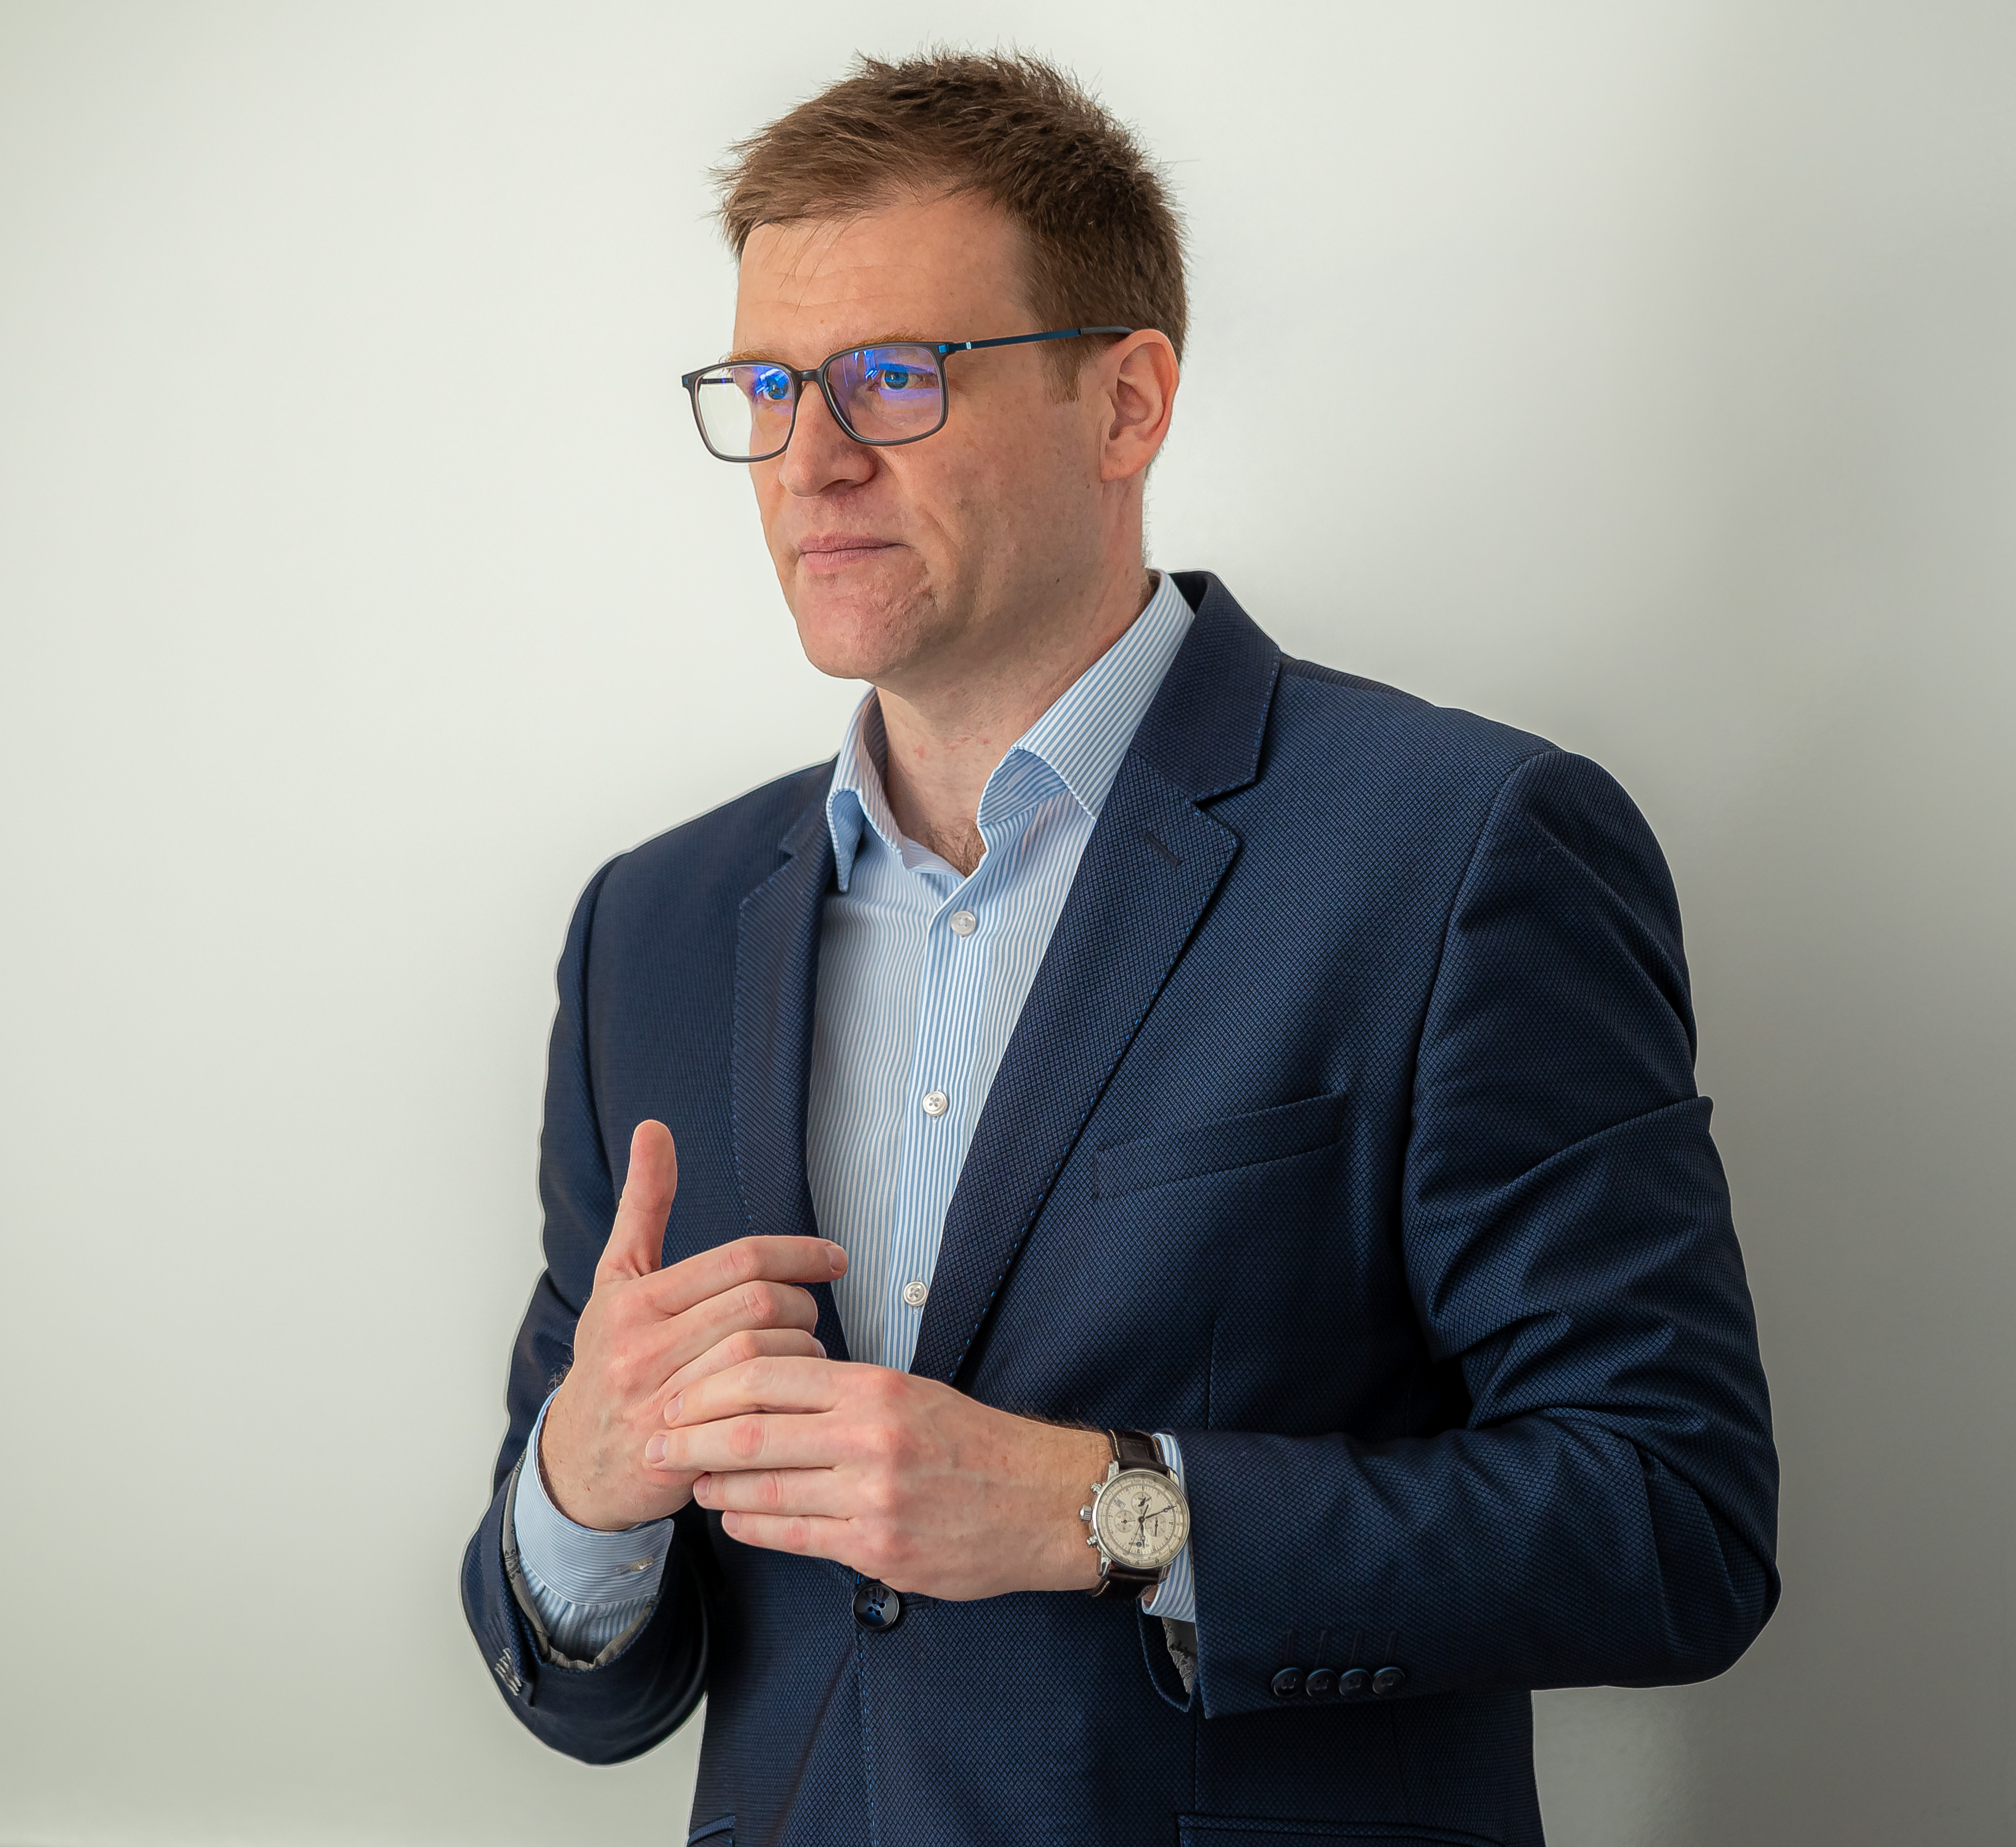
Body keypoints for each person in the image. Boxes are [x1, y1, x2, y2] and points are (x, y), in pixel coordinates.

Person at [460, 51, 1777, 1846]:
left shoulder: (1459, 850)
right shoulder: (653, 927)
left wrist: (1102, 1513)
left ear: (1127, 402)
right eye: (764, 387)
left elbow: (1669, 1521)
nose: (810, 461)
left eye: (893, 377)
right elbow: (589, 1678)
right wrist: (581, 1482)